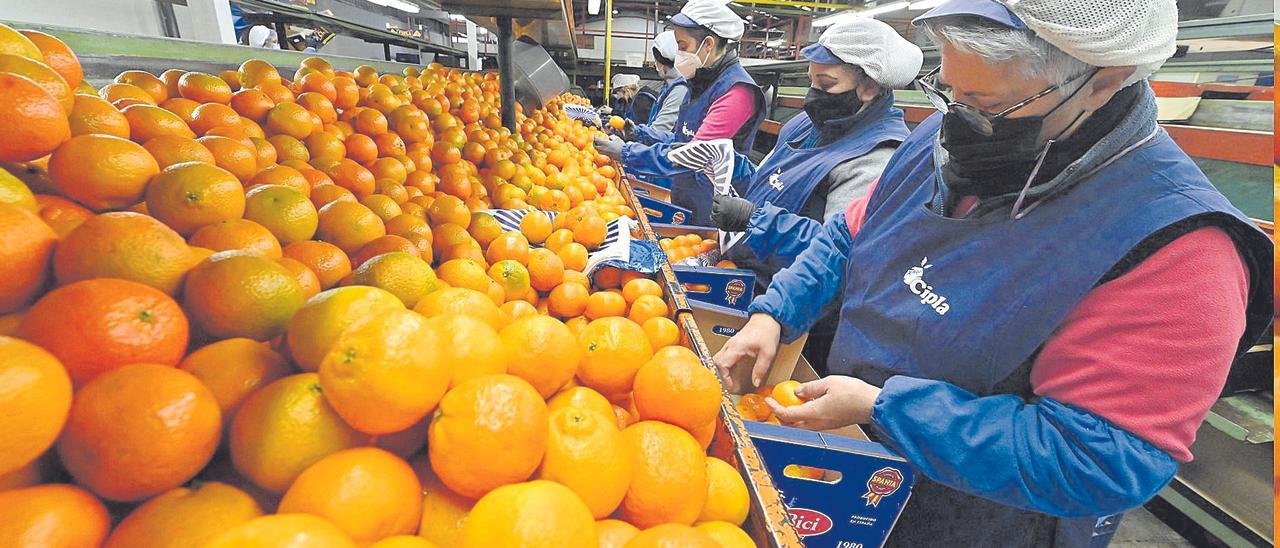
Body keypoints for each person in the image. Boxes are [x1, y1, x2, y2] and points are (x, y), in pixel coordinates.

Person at [713, 1, 1273, 546]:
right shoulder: (941, 142)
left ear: (1106, 80)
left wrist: (884, 407)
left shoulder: (1178, 249)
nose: (956, 114)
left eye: (985, 101)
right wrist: (776, 312)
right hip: (852, 472)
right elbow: (850, 235)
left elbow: (1101, 457)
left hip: (979, 520)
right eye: (949, 89)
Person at [707, 17, 921, 373]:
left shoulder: (876, 158)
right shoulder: (806, 124)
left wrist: (753, 219)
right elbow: (773, 180)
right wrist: (731, 166)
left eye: (826, 83)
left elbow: (837, 247)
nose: (812, 95)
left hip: (795, 324)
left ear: (869, 86)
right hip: (747, 288)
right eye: (811, 81)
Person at [595, 0, 767, 224]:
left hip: (714, 208)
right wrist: (640, 133)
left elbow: (694, 155)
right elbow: (681, 139)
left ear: (708, 44)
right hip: (688, 195)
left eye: (683, 46)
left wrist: (627, 153)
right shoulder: (699, 82)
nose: (678, 54)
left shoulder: (737, 93)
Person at [640, 30, 691, 134]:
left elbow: (661, 129)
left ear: (662, 61)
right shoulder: (669, 85)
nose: (655, 64)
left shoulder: (680, 89)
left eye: (656, 60)